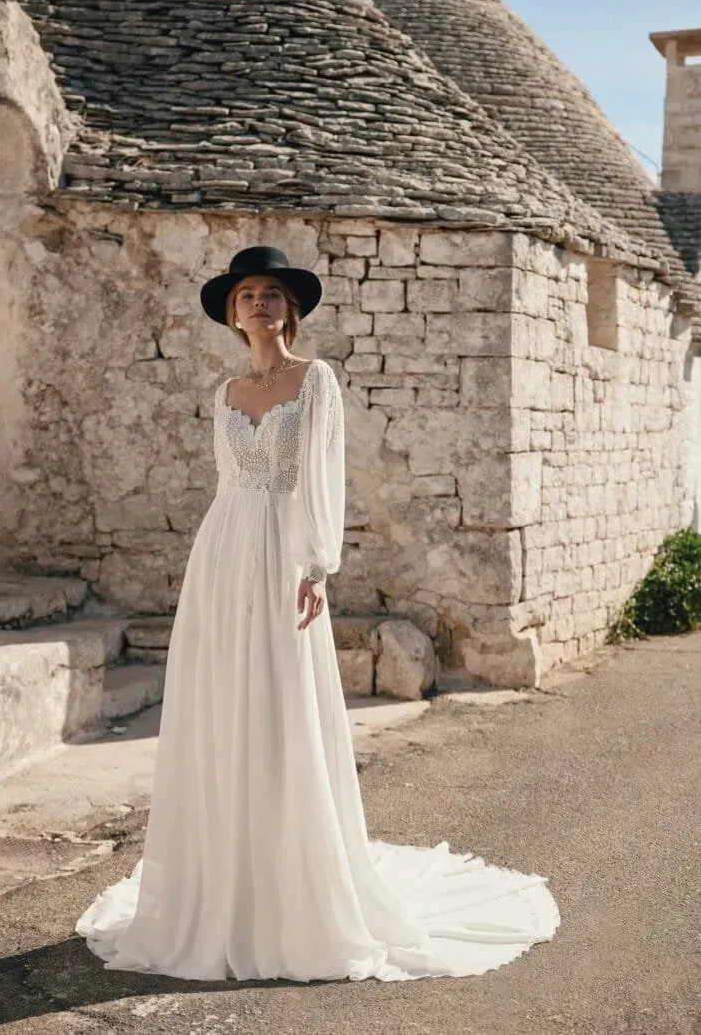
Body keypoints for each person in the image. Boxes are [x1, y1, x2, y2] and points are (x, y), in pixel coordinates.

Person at [74, 245, 561, 982]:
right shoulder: (227, 392)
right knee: (224, 704)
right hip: (223, 553)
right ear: (233, 315)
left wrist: (316, 564)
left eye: (271, 293)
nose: (259, 303)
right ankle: (227, 881)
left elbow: (321, 473)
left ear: (289, 309)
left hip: (283, 554)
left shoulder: (316, 379)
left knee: (280, 703)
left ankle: (293, 883)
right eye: (247, 296)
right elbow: (227, 481)